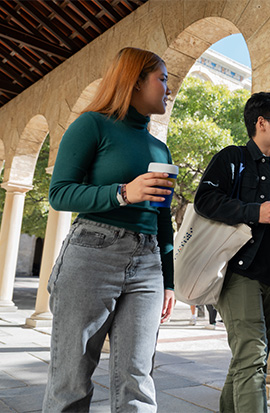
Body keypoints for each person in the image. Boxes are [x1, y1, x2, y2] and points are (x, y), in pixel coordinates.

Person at [43, 47, 175, 412]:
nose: (169, 88)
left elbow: (162, 218)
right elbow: (60, 193)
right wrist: (123, 193)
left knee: (139, 380)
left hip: (147, 262)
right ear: (134, 81)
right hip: (92, 253)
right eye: (162, 78)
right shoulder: (92, 124)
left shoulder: (159, 149)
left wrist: (169, 281)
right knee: (70, 380)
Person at [194, 92, 270, 412]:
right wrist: (255, 212)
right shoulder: (231, 159)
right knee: (255, 358)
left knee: (247, 361)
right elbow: (205, 200)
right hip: (238, 274)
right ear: (261, 123)